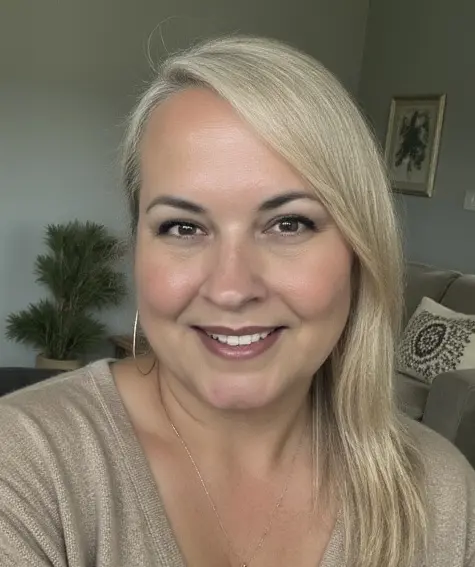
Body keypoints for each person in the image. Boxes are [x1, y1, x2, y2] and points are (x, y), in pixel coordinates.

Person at [0, 36, 473, 567]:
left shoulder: (443, 494)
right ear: (139, 251)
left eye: (288, 223)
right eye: (183, 226)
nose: (230, 287)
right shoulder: (24, 468)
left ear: (359, 252)